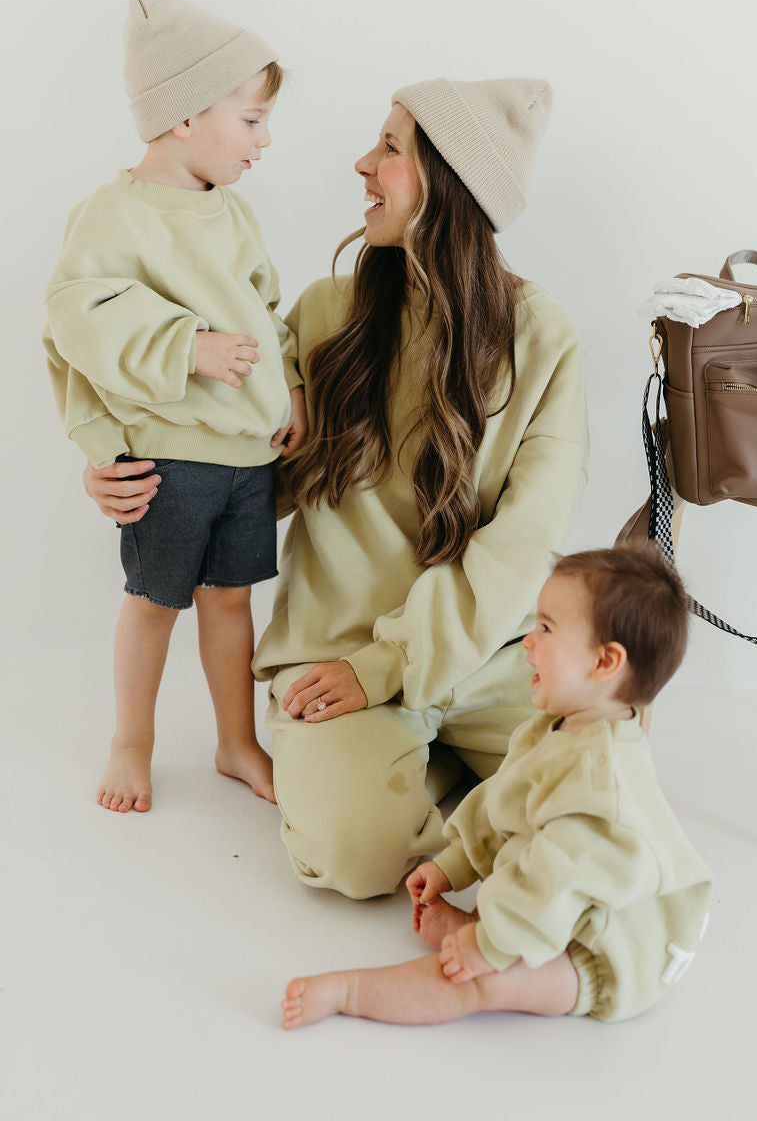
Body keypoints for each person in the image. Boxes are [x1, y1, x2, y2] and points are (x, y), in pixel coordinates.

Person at [84, 76, 588, 898]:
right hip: (336, 660)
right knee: (358, 861)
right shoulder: (324, 315)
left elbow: (524, 541)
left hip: (492, 654)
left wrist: (402, 664)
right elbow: (244, 468)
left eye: (390, 149)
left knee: (600, 790)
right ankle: (439, 790)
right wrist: (126, 464)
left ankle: (439, 779)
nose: (363, 164)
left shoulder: (544, 338)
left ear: (452, 184)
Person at [45, 0, 306, 815]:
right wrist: (184, 349)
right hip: (170, 459)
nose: (264, 139)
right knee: (155, 602)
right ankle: (133, 741)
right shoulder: (113, 216)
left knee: (231, 602)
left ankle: (235, 741)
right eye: (252, 119)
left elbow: (267, 311)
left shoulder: (233, 216)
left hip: (245, 458)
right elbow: (77, 317)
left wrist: (290, 384)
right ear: (187, 114)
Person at [280, 541, 713, 1029]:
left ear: (604, 663)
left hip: (607, 948)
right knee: (507, 918)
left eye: (546, 628)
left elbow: (550, 881)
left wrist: (488, 947)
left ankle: (349, 992)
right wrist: (453, 866)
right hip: (571, 901)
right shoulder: (557, 723)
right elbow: (499, 801)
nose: (528, 640)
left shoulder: (597, 785)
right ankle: (497, 931)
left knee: (474, 980)